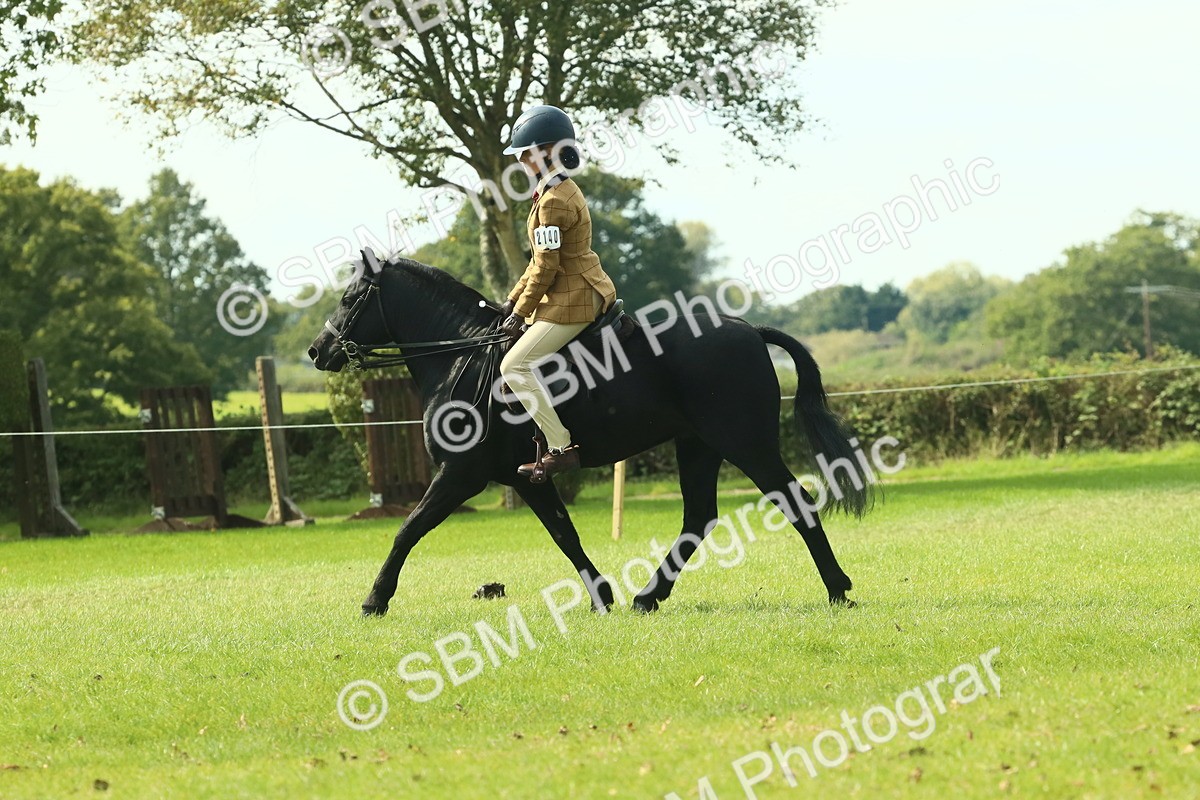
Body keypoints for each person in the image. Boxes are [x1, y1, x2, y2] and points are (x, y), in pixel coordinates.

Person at [498, 105, 617, 481]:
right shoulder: (553, 190)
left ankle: (561, 447)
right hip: (570, 290)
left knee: (513, 367)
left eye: (524, 153)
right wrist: (512, 300)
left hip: (575, 297)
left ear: (546, 151)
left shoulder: (554, 200)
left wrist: (520, 312)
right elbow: (538, 261)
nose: (520, 160)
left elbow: (546, 268)